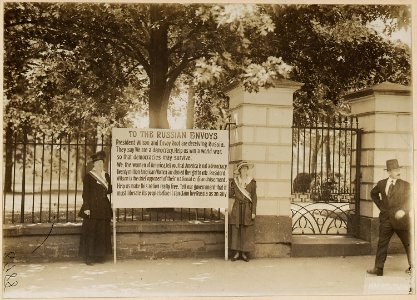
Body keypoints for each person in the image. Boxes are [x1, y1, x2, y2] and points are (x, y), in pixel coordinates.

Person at [367, 159, 412, 276]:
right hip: (386, 219)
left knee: (409, 243)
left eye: (398, 169)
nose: (398, 172)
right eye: (395, 170)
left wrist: (403, 210)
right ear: (389, 172)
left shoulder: (405, 185)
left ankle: (414, 267)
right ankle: (378, 268)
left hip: (401, 220)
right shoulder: (382, 183)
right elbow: (373, 193)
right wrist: (381, 206)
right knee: (382, 243)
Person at [78, 150, 113, 265]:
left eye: (101, 163)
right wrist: (86, 207)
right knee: (91, 232)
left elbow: (109, 191)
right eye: (97, 163)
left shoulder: (106, 175)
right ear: (93, 164)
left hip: (103, 207)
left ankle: (99, 256)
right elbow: (85, 193)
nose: (100, 165)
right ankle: (89, 257)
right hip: (92, 207)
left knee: (102, 232)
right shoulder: (89, 176)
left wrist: (110, 183)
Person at [229, 161, 257, 262]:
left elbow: (254, 198)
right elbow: (230, 194)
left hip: (247, 210)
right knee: (236, 230)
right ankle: (236, 253)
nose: (244, 170)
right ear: (239, 171)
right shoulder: (235, 181)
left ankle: (244, 253)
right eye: (242, 169)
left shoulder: (252, 182)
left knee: (246, 231)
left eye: (246, 169)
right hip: (237, 208)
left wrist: (253, 212)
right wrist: (232, 182)